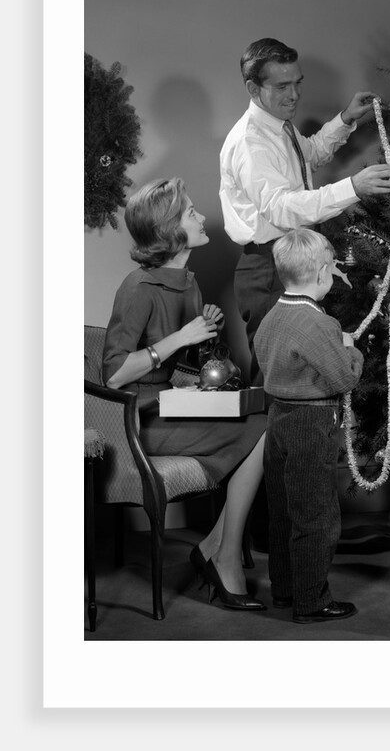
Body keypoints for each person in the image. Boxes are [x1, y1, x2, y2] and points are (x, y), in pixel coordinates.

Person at [102, 177, 268, 611]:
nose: (199, 215)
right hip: (140, 424)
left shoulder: (188, 282)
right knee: (261, 431)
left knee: (263, 421)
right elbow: (114, 375)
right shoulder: (137, 288)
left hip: (175, 407)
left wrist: (203, 332)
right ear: (169, 231)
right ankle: (224, 556)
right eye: (190, 212)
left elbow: (190, 369)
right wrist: (178, 338)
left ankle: (216, 545)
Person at [219, 36, 390, 386]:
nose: (294, 95)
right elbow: (282, 209)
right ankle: (267, 440)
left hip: (291, 261)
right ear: (252, 87)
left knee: (301, 370)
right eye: (282, 86)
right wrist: (353, 187)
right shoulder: (250, 142)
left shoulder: (278, 124)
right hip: (271, 267)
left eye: (297, 83)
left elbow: (310, 155)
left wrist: (346, 119)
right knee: (276, 376)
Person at [253, 229, 364, 624]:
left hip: (278, 417)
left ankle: (285, 590)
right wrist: (351, 351)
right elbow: (343, 379)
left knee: (283, 511)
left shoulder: (272, 316)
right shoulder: (319, 324)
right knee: (315, 516)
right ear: (321, 274)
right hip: (311, 423)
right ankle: (312, 601)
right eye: (333, 268)